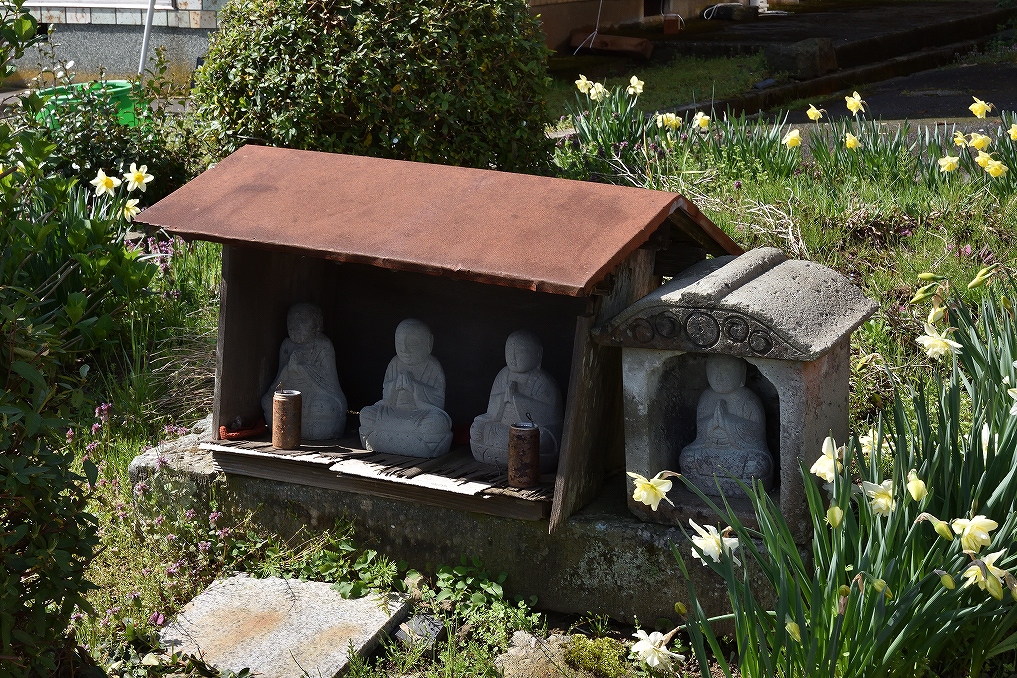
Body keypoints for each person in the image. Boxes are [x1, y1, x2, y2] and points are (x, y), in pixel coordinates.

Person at [679, 354, 774, 496]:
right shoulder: (706, 397)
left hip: (741, 452)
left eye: (726, 371)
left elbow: (757, 433)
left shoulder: (748, 399)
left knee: (758, 465)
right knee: (687, 458)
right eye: (714, 371)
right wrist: (712, 423)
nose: (719, 377)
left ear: (742, 373)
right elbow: (700, 432)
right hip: (711, 450)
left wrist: (728, 422)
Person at [471, 330, 563, 472]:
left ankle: (502, 452)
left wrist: (517, 398)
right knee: (477, 429)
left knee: (541, 440)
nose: (513, 357)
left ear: (538, 354)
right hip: (503, 428)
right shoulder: (503, 375)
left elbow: (550, 416)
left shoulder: (543, 381)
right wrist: (504, 397)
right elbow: (491, 411)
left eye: (520, 352)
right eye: (509, 351)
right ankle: (511, 452)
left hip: (530, 432)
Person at [359, 319, 452, 457]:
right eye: (399, 344)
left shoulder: (433, 366)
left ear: (429, 343)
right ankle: (417, 443)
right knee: (366, 414)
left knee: (436, 423)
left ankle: (379, 437)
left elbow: (438, 401)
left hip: (420, 415)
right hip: (393, 412)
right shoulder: (394, 363)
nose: (405, 350)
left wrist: (414, 387)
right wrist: (394, 386)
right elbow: (386, 397)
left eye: (412, 343)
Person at [261, 303, 347, 440]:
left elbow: (330, 384)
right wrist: (289, 368)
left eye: (302, 320)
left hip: (316, 393)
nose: (295, 325)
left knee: (323, 407)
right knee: (267, 401)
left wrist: (302, 368)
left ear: (317, 325)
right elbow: (279, 380)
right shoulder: (287, 345)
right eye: (291, 320)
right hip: (290, 389)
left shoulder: (323, 346)